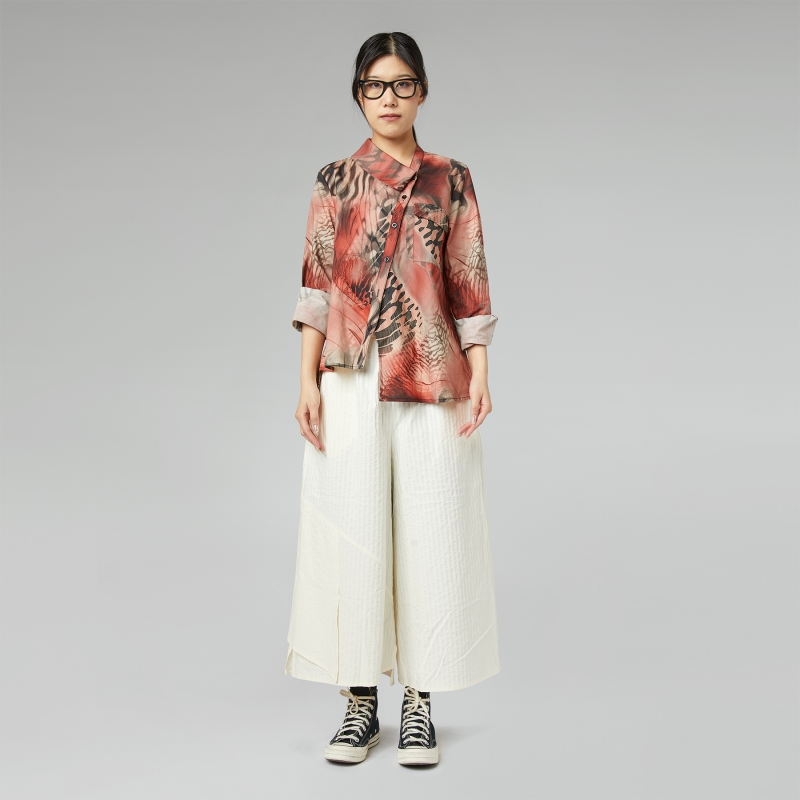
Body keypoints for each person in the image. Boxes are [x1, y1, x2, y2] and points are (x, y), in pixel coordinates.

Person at [286, 31, 500, 767]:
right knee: (350, 527)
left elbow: (470, 279)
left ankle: (420, 703)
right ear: (358, 95)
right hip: (350, 373)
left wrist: (482, 371)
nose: (389, 99)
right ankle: (358, 704)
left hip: (433, 373)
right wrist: (306, 381)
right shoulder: (335, 180)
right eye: (375, 86)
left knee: (433, 529)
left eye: (403, 84)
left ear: (422, 92)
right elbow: (316, 285)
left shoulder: (451, 179)